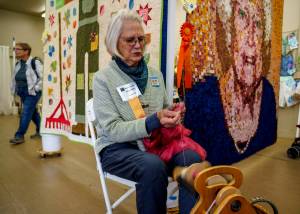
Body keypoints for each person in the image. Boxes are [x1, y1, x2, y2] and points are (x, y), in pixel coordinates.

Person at [93, 9, 206, 214]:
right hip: (118, 148)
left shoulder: (155, 75)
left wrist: (172, 113)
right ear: (114, 43)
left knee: (191, 159)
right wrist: (154, 120)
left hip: (157, 144)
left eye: (141, 39)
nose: (138, 45)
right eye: (130, 40)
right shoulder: (103, 79)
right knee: (153, 167)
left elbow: (162, 110)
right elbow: (112, 130)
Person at [184, 0, 276, 164]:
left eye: (258, 23)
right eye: (242, 16)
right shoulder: (204, 95)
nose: (251, 39)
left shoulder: (267, 94)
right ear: (228, 32)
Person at [10, 43, 43, 144]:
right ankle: (41, 131)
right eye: (15, 49)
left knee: (26, 112)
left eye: (18, 49)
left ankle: (19, 135)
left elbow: (43, 77)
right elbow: (15, 79)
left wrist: (36, 88)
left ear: (26, 51)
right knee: (33, 113)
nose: (15, 51)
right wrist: (14, 90)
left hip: (32, 93)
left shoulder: (35, 62)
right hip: (22, 92)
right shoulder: (18, 64)